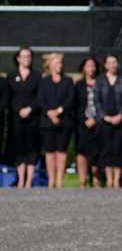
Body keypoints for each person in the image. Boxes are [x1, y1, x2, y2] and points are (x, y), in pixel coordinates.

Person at [36, 52, 75, 189]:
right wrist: (50, 113)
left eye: (61, 63)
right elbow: (40, 99)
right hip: (47, 121)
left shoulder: (68, 81)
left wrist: (58, 112)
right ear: (50, 64)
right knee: (50, 151)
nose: (60, 65)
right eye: (57, 62)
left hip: (64, 121)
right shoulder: (43, 81)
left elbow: (70, 99)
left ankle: (60, 179)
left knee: (61, 151)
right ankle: (51, 180)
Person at [94, 54, 122, 189]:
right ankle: (109, 179)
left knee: (118, 148)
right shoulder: (100, 80)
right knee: (106, 149)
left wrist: (120, 115)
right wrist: (104, 116)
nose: (112, 65)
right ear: (105, 65)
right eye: (109, 62)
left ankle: (117, 179)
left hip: (120, 121)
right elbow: (96, 100)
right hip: (104, 121)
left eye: (114, 62)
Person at [7, 47, 40, 188]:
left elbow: (40, 96)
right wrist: (18, 109)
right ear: (18, 58)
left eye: (29, 56)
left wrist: (30, 109)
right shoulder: (12, 76)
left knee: (31, 148)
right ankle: (20, 179)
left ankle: (28, 181)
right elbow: (10, 96)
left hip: (33, 118)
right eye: (23, 56)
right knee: (19, 148)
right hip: (17, 118)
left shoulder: (36, 76)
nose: (26, 58)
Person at [73, 57, 103, 189]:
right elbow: (76, 106)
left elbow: (103, 103)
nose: (90, 68)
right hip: (82, 123)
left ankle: (96, 179)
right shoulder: (79, 85)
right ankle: (82, 180)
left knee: (97, 151)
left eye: (92, 66)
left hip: (98, 123)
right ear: (83, 68)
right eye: (88, 66)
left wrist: (95, 119)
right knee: (82, 151)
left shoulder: (101, 83)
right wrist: (85, 120)